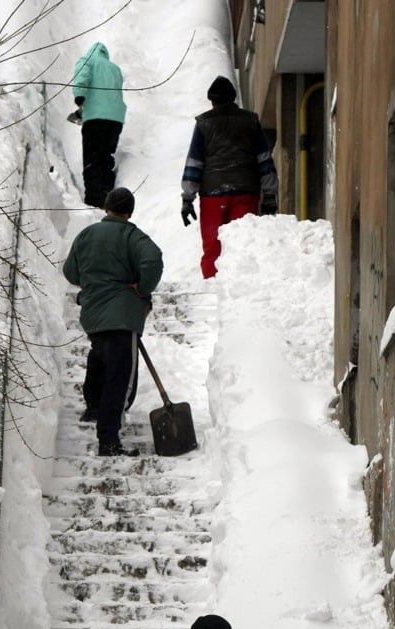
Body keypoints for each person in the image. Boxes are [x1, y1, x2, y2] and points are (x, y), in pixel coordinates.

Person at [63, 187, 163, 457]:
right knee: (121, 377)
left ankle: (94, 407)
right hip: (123, 314)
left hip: (94, 313)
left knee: (100, 357)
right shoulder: (133, 236)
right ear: (129, 212)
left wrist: (94, 283)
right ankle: (108, 440)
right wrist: (142, 289)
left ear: (106, 207)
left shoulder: (86, 235)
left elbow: (70, 271)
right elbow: (153, 261)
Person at [180, 75, 279, 279]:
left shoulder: (203, 124)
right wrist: (269, 194)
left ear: (212, 100)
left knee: (212, 247)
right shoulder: (250, 121)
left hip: (212, 196)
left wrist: (187, 199)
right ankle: (240, 288)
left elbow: (194, 163)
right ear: (233, 98)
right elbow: (264, 159)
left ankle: (212, 285)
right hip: (246, 191)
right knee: (242, 245)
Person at [71, 42, 127, 208]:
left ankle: (94, 200)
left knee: (92, 159)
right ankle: (107, 193)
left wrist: (79, 97)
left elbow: (82, 77)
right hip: (116, 120)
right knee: (105, 157)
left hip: (95, 120)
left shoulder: (87, 60)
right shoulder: (115, 68)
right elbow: (108, 96)